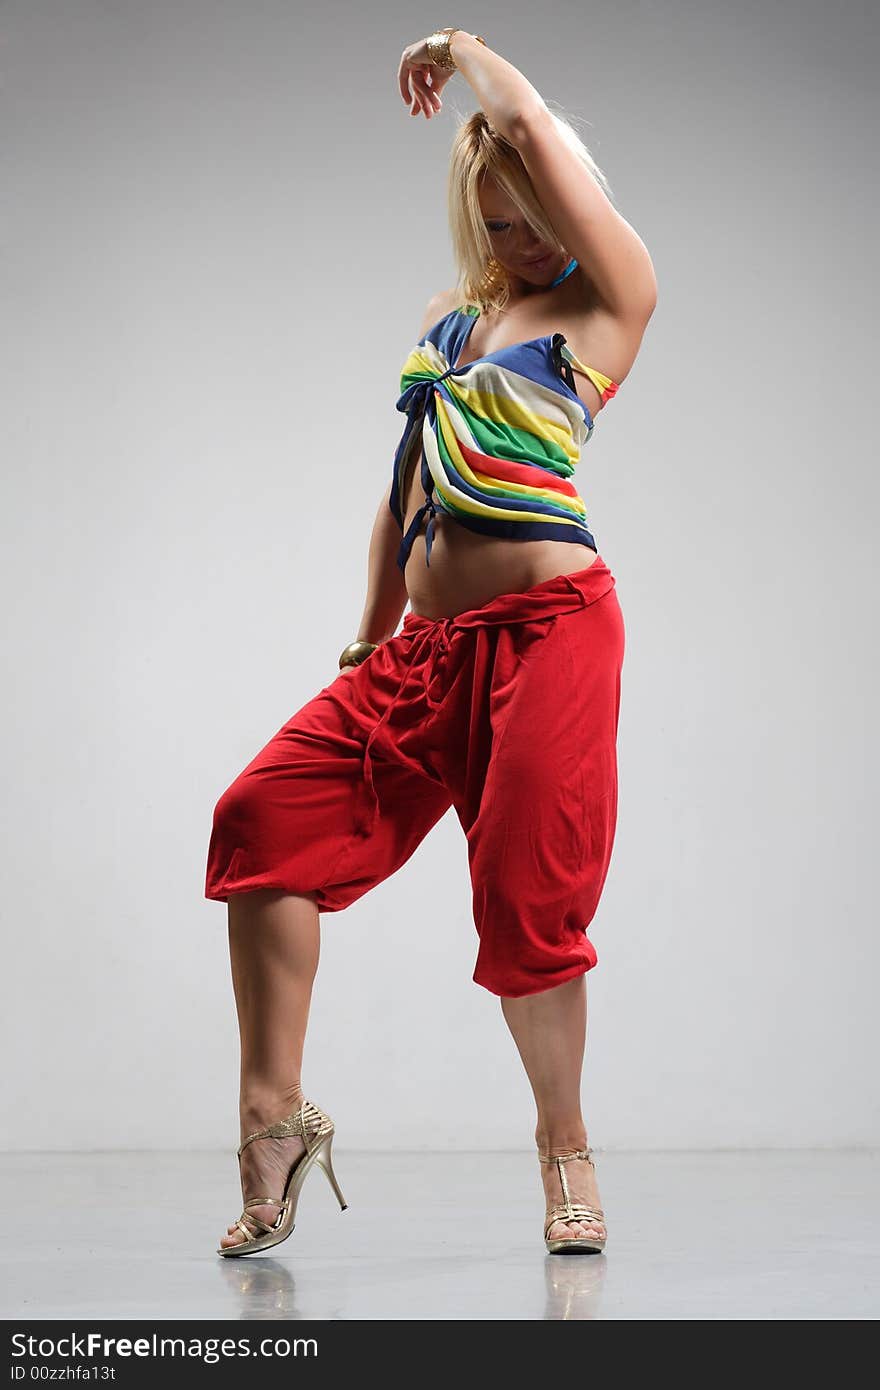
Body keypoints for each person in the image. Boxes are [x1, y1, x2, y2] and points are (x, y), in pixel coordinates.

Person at [205, 26, 657, 1259]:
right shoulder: (450, 325)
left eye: (536, 216)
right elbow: (403, 487)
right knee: (260, 819)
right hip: (425, 650)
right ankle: (271, 1115)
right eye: (500, 227)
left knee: (526, 897)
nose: (527, 244)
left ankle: (564, 1150)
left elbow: (532, 136)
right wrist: (365, 638)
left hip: (552, 634)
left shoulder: (611, 293)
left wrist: (464, 48)